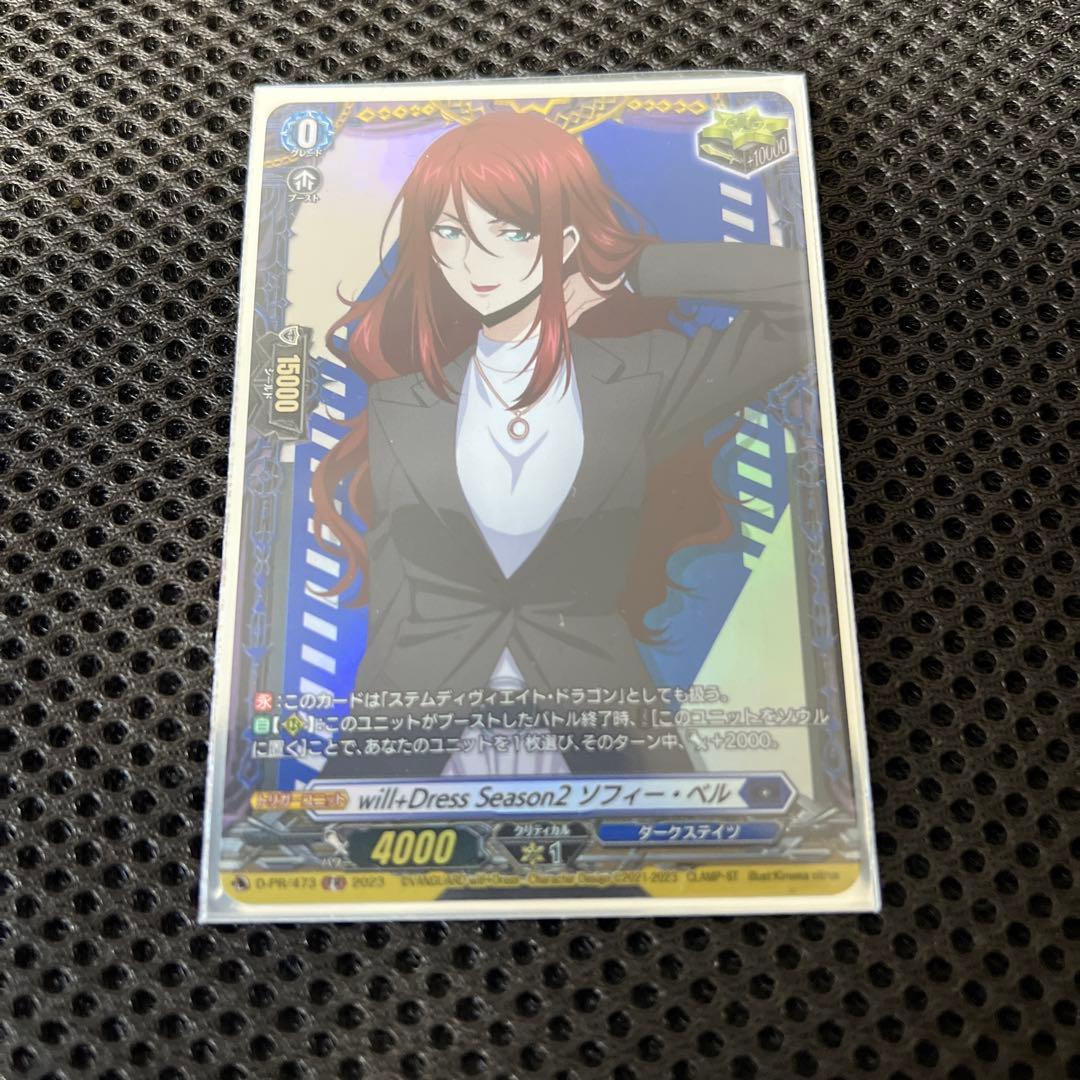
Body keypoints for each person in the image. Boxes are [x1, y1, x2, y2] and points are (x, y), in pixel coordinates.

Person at [312, 111, 812, 779]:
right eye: (450, 231)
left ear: (566, 239)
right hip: (423, 738)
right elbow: (397, 599)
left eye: (510, 231)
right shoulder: (403, 402)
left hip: (604, 729)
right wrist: (367, 757)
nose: (474, 261)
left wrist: (634, 270)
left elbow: (802, 297)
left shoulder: (647, 375)